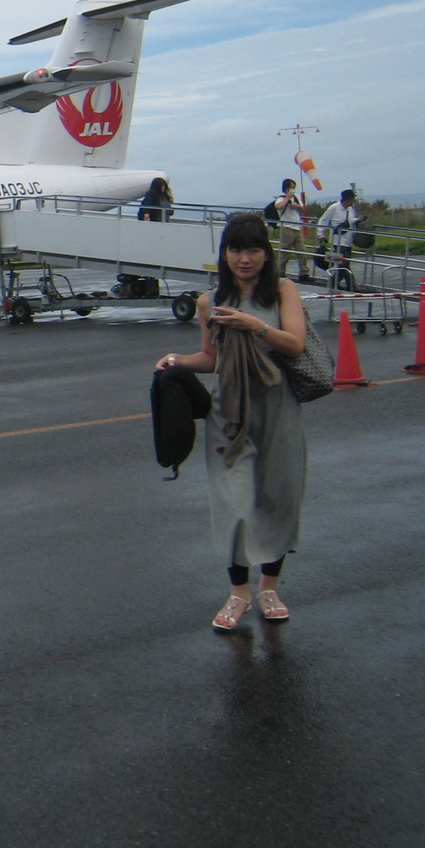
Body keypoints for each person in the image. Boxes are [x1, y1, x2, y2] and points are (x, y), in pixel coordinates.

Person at [155, 213, 308, 632]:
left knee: (277, 497)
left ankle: (269, 588)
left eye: (254, 249)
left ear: (266, 253)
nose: (245, 258)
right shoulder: (209, 301)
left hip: (278, 408)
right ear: (224, 254)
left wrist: (255, 326)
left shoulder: (282, 291)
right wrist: (176, 361)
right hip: (228, 414)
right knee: (234, 504)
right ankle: (239, 592)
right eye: (236, 249)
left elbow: (295, 345)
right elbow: (211, 359)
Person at [317, 188, 362, 281]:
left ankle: (334, 283)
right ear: (348, 199)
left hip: (348, 241)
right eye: (352, 199)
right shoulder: (334, 208)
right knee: (343, 264)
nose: (353, 201)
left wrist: (357, 220)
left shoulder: (350, 210)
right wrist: (320, 234)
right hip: (338, 241)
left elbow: (349, 221)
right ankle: (349, 285)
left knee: (343, 264)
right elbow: (323, 220)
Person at [272, 179, 311, 282]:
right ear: (286, 188)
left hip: (297, 227)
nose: (293, 189)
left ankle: (304, 273)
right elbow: (278, 206)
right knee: (285, 252)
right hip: (287, 228)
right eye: (291, 187)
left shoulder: (296, 197)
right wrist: (287, 199)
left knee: (302, 251)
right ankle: (280, 273)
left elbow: (303, 209)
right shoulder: (281, 198)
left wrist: (297, 206)